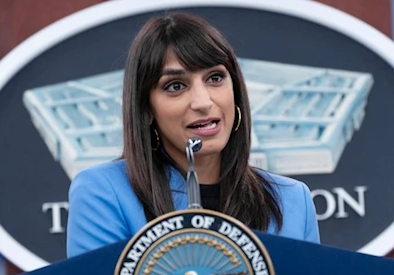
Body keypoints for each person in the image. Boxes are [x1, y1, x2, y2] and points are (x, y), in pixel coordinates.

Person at [66, 12, 320, 258]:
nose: (203, 101)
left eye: (215, 77)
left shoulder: (292, 199)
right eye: (176, 86)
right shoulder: (103, 192)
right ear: (145, 109)